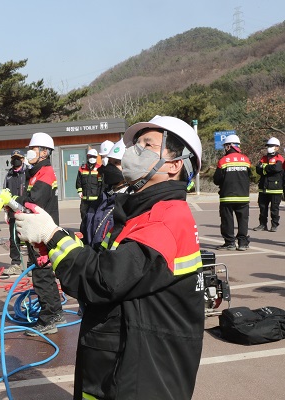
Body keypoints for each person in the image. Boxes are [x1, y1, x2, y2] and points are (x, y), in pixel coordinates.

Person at [15, 116, 204, 400]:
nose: (133, 151)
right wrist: (64, 242)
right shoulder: (142, 211)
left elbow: (104, 279)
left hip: (141, 373)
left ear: (175, 164)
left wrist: (52, 236)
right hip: (120, 359)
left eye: (147, 145)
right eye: (136, 143)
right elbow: (108, 263)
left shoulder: (165, 218)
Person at [16, 132, 64, 336]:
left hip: (42, 234)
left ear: (44, 152)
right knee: (41, 275)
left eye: (33, 149)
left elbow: (33, 201)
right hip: (36, 231)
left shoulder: (45, 173)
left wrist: (15, 201)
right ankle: (54, 313)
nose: (30, 152)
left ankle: (49, 318)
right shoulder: (35, 172)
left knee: (43, 276)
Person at [80, 139, 127, 248]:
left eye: (116, 162)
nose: (111, 167)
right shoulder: (105, 197)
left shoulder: (129, 201)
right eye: (110, 162)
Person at [213, 134, 252, 250]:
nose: (225, 148)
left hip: (227, 197)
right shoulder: (246, 160)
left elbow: (216, 179)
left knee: (227, 220)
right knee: (243, 220)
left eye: (225, 146)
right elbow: (250, 175)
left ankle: (230, 243)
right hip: (243, 196)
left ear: (230, 146)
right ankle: (242, 243)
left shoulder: (223, 161)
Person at [3, 150, 28, 275]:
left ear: (23, 159)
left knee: (30, 239)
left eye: (18, 158)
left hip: (27, 212)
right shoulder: (9, 175)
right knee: (14, 239)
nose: (16, 160)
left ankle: (32, 266)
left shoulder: (28, 173)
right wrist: (6, 210)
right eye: (14, 158)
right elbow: (4, 192)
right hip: (13, 212)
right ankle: (15, 264)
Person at [253, 137, 284, 232]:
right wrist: (268, 168)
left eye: (271, 146)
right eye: (268, 146)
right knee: (262, 208)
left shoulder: (280, 158)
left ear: (277, 147)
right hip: (263, 187)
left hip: (275, 188)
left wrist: (265, 168)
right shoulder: (264, 158)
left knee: (274, 209)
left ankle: (274, 225)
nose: (269, 148)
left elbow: (277, 168)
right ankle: (262, 225)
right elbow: (258, 169)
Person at [76, 148, 102, 220]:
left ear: (96, 157)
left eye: (93, 156)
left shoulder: (99, 168)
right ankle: (84, 231)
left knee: (95, 217)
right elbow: (79, 181)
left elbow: (101, 184)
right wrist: (80, 191)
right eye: (90, 156)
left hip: (96, 199)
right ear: (87, 156)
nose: (92, 158)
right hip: (85, 199)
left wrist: (100, 196)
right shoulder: (82, 168)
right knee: (84, 216)